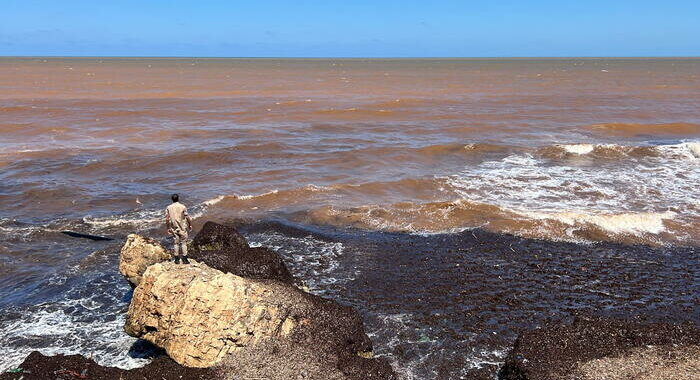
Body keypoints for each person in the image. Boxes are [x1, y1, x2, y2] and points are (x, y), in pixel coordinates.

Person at [165, 193, 193, 264]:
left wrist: (168, 228)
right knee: (183, 243)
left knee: (176, 244)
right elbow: (187, 217)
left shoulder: (168, 207)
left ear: (172, 199)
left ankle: (176, 259)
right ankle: (185, 259)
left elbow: (167, 219)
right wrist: (190, 225)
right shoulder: (182, 206)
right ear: (178, 198)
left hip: (174, 228)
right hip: (182, 228)